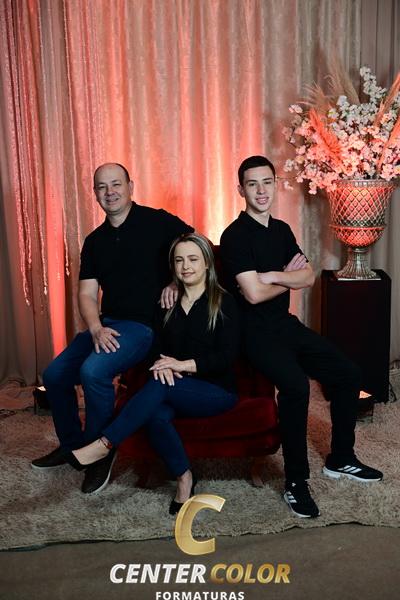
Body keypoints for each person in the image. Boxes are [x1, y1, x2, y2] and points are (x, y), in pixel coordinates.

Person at [219, 155, 383, 519]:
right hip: (253, 333)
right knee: (295, 386)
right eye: (252, 184)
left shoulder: (281, 231)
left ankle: (341, 458)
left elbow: (307, 277)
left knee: (348, 373)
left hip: (285, 324)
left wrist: (272, 276)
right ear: (241, 190)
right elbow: (253, 295)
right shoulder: (234, 236)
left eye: (267, 182)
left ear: (275, 185)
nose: (261, 191)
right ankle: (295, 481)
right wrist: (284, 278)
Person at [31, 163, 193, 494]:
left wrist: (176, 282)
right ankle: (72, 444)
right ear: (95, 194)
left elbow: (195, 244)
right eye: (102, 187)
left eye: (116, 184)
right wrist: (95, 328)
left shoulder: (156, 221)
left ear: (130, 186)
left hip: (144, 327)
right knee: (55, 375)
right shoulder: (95, 241)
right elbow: (87, 294)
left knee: (93, 371)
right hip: (107, 323)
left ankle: (99, 451)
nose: (110, 192)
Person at [65, 233, 239, 513]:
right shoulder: (166, 302)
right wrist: (163, 365)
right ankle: (185, 477)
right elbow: (153, 349)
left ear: (207, 263)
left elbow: (226, 357)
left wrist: (180, 365)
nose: (186, 266)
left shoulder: (223, 302)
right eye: (179, 260)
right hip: (171, 385)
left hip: (215, 390)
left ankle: (105, 443)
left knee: (161, 385)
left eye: (193, 259)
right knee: (155, 415)